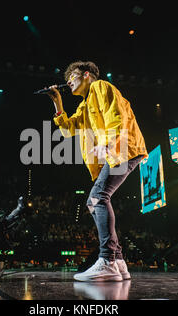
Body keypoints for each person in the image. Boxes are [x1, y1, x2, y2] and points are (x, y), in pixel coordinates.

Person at [47, 61, 147, 281]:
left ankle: (108, 260)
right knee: (98, 199)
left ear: (85, 75)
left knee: (97, 198)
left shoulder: (101, 87)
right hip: (118, 151)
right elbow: (68, 130)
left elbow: (116, 115)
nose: (68, 82)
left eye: (71, 77)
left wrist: (109, 144)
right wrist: (58, 104)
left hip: (123, 148)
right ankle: (118, 262)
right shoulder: (85, 104)